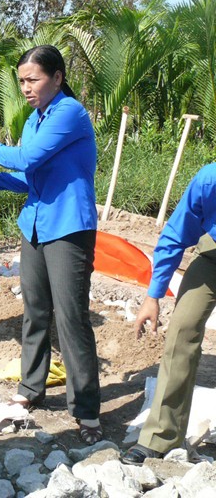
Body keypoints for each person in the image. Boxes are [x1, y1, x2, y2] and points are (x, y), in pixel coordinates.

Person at [0, 44, 102, 444]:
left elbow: (27, 158)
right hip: (36, 225)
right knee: (35, 311)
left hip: (68, 228)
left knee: (71, 317)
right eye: (21, 80)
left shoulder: (70, 113)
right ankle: (31, 389)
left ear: (57, 77)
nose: (25, 87)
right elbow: (28, 178)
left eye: (33, 79)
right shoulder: (35, 119)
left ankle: (87, 411)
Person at [121, 164, 216, 464]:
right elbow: (175, 234)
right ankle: (160, 436)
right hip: (213, 255)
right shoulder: (210, 179)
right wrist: (153, 295)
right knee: (182, 329)